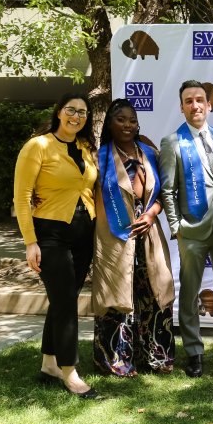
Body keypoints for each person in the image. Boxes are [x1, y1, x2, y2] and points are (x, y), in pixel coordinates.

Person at [13, 93, 99, 399]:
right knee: (65, 303)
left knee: (64, 299)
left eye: (82, 113)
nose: (76, 117)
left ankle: (49, 364)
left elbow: (88, 189)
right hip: (50, 234)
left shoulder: (86, 148)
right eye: (71, 110)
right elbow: (22, 197)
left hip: (83, 233)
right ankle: (69, 371)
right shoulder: (37, 146)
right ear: (59, 112)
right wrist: (30, 242)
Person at [159, 80, 213, 378]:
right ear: (182, 107)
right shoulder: (172, 142)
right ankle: (194, 351)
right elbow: (168, 190)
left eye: (200, 100)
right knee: (190, 293)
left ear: (208, 105)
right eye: (189, 101)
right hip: (191, 230)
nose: (195, 105)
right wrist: (176, 226)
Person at [91, 99, 175, 377]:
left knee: (154, 293)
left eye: (132, 120)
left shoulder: (150, 153)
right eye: (120, 119)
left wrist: (151, 214)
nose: (127, 125)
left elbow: (164, 194)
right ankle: (116, 360)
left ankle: (157, 357)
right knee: (117, 297)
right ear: (110, 125)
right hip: (115, 237)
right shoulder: (97, 158)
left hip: (148, 234)